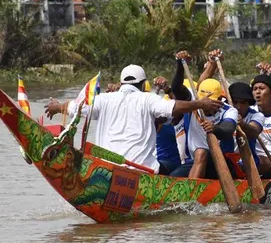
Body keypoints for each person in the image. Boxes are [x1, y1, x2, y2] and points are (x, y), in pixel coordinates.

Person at [44, 64, 222, 173]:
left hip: (106, 169)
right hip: (141, 171)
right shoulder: (148, 98)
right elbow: (173, 107)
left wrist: (57, 107)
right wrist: (200, 104)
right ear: (142, 84)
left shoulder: (103, 99)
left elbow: (76, 107)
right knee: (175, 170)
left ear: (121, 83)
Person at [174, 79, 239, 179]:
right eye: (204, 101)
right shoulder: (194, 104)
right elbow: (176, 88)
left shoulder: (229, 111)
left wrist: (215, 128)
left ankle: (192, 188)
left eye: (210, 101)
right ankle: (192, 185)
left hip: (221, 163)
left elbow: (228, 130)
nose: (206, 105)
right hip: (195, 162)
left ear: (220, 99)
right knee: (173, 177)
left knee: (201, 152)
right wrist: (180, 68)